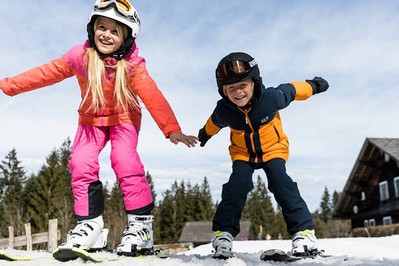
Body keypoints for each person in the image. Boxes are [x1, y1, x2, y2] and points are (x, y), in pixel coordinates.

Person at [0, 0, 197, 257]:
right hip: (91, 119)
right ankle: (90, 226)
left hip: (125, 117)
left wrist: (171, 128)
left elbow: (152, 95)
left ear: (127, 37)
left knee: (123, 159)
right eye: (102, 27)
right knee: (80, 162)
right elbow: (45, 73)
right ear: (92, 28)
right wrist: (7, 85)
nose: (106, 34)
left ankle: (141, 227)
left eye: (115, 31)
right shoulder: (80, 57)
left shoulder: (133, 66)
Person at [197, 52, 329, 258]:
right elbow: (213, 123)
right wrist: (204, 134)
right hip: (243, 154)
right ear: (223, 91)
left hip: (272, 149)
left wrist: (314, 85)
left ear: (254, 83)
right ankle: (223, 235)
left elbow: (293, 90)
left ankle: (303, 232)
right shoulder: (225, 109)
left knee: (280, 181)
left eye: (243, 85)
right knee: (236, 187)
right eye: (231, 88)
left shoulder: (270, 98)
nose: (237, 92)